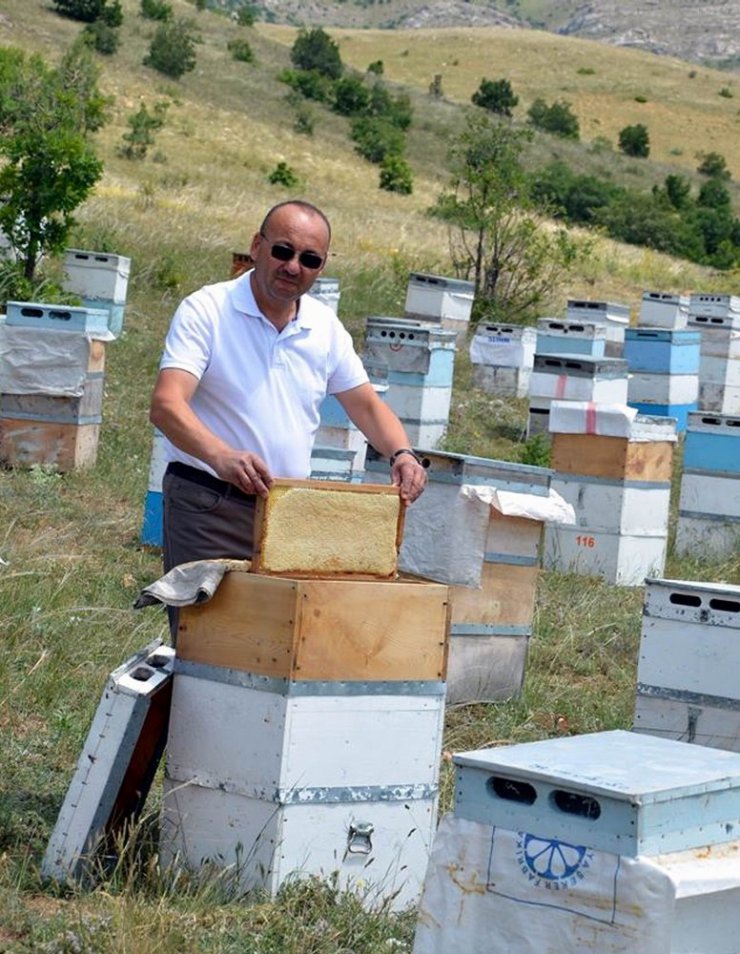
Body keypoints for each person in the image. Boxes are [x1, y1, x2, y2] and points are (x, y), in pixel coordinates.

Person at [149, 199, 428, 578]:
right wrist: (222, 457)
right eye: (283, 250)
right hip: (208, 502)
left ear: (322, 266)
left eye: (309, 259)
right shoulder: (207, 310)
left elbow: (366, 405)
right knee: (210, 634)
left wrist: (402, 454)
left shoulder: (324, 326)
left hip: (287, 513)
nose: (293, 266)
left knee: (279, 633)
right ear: (256, 246)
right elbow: (167, 405)